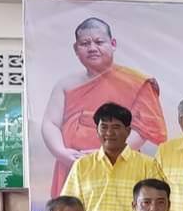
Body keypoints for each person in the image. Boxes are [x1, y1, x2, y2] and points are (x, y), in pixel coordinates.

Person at [43, 17, 167, 197]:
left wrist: (107, 153)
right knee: (71, 210)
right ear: (76, 49)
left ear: (113, 44)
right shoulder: (65, 84)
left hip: (121, 163)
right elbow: (50, 123)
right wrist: (63, 153)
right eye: (85, 43)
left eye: (99, 42)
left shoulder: (136, 82)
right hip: (72, 163)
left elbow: (144, 128)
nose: (92, 48)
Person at [60, 102, 166, 211]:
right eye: (104, 127)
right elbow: (68, 210)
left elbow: (158, 210)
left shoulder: (148, 165)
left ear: (128, 131)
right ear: (97, 130)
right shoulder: (82, 166)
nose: (109, 133)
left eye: (116, 127)